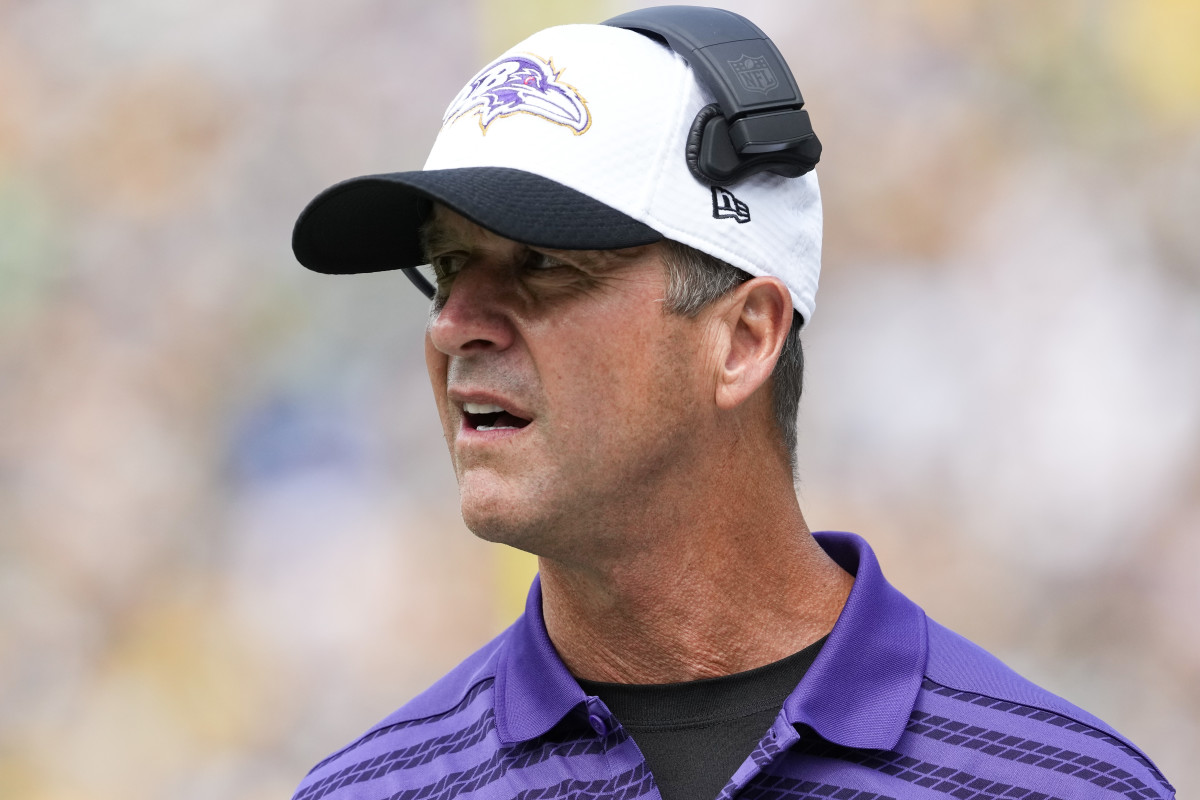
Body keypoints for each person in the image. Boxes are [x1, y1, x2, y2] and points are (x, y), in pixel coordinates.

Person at [288, 8, 1174, 800]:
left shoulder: (1064, 784)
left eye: (542, 265)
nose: (453, 326)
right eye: (447, 269)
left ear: (746, 337)